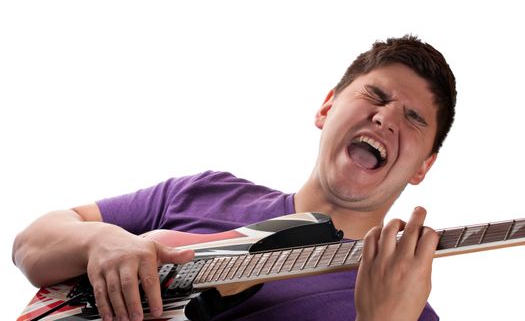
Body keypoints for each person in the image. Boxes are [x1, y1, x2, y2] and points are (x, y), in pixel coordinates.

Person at [13, 35, 456, 321]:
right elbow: (31, 244)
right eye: (375, 96)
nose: (385, 118)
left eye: (413, 118)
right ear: (326, 108)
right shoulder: (205, 191)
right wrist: (99, 242)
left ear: (423, 166)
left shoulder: (408, 309)